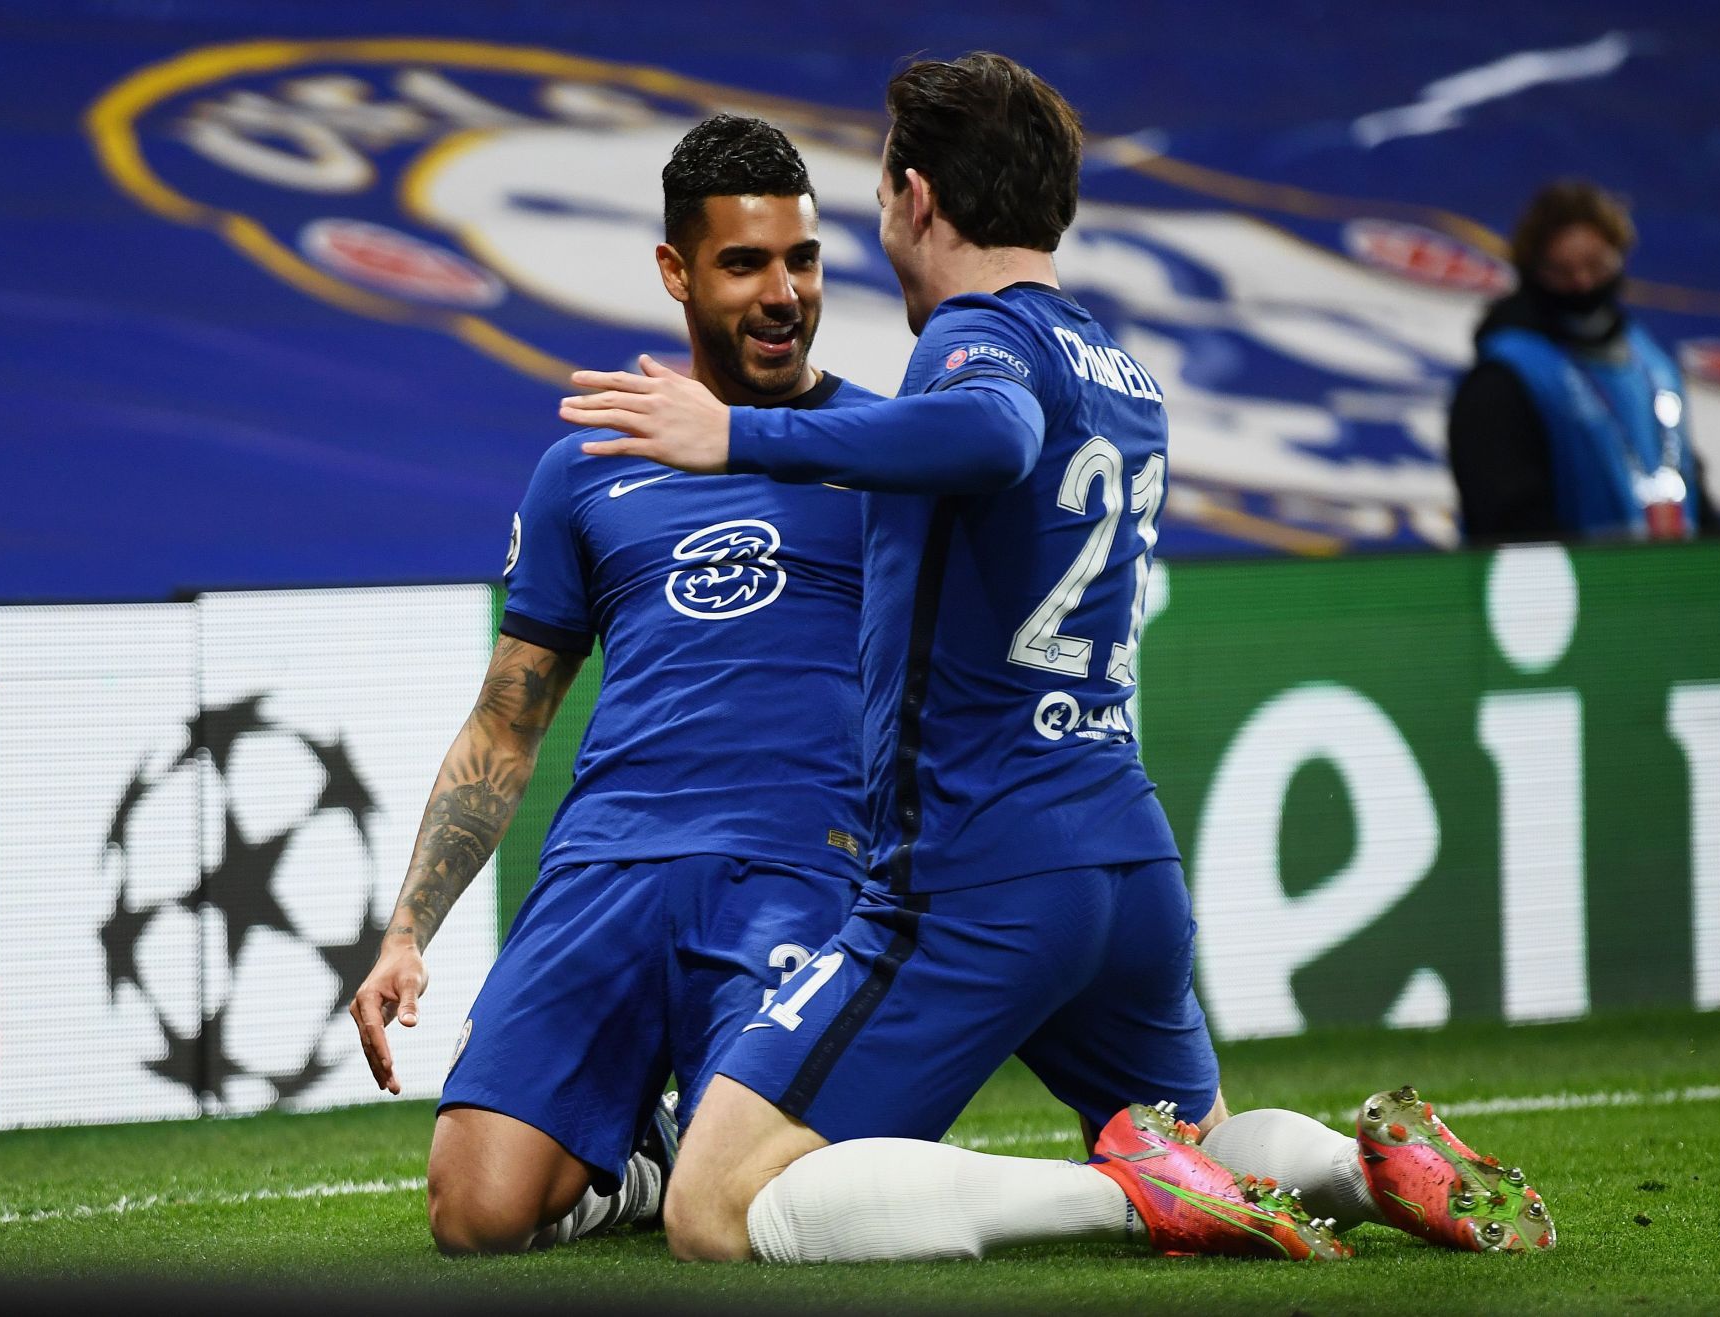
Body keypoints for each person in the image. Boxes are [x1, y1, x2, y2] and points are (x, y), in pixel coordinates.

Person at [562, 52, 1554, 1264]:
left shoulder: (976, 344)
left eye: (879, 200)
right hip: (1123, 860)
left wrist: (740, 436)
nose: (880, 226)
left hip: (977, 867)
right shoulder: (1123, 372)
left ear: (919, 198)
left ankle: (1122, 1196)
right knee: (1196, 1128)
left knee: (714, 1205)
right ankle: (1365, 1167)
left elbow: (991, 432)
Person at [350, 113, 881, 1255]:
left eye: (802, 259)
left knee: (759, 1206)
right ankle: (640, 1158)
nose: (783, 292)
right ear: (675, 272)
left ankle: (691, 1140)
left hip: (795, 870)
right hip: (606, 868)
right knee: (473, 1216)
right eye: (744, 264)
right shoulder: (586, 465)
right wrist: (407, 934)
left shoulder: (887, 450)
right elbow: (508, 718)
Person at [1449, 178, 1720, 544]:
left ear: (1620, 256)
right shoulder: (1506, 377)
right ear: (1533, 271)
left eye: (1596, 266)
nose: (1582, 284)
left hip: (1670, 586)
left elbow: (1691, 483)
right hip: (1572, 591)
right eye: (1561, 271)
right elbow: (1507, 521)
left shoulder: (1652, 363)